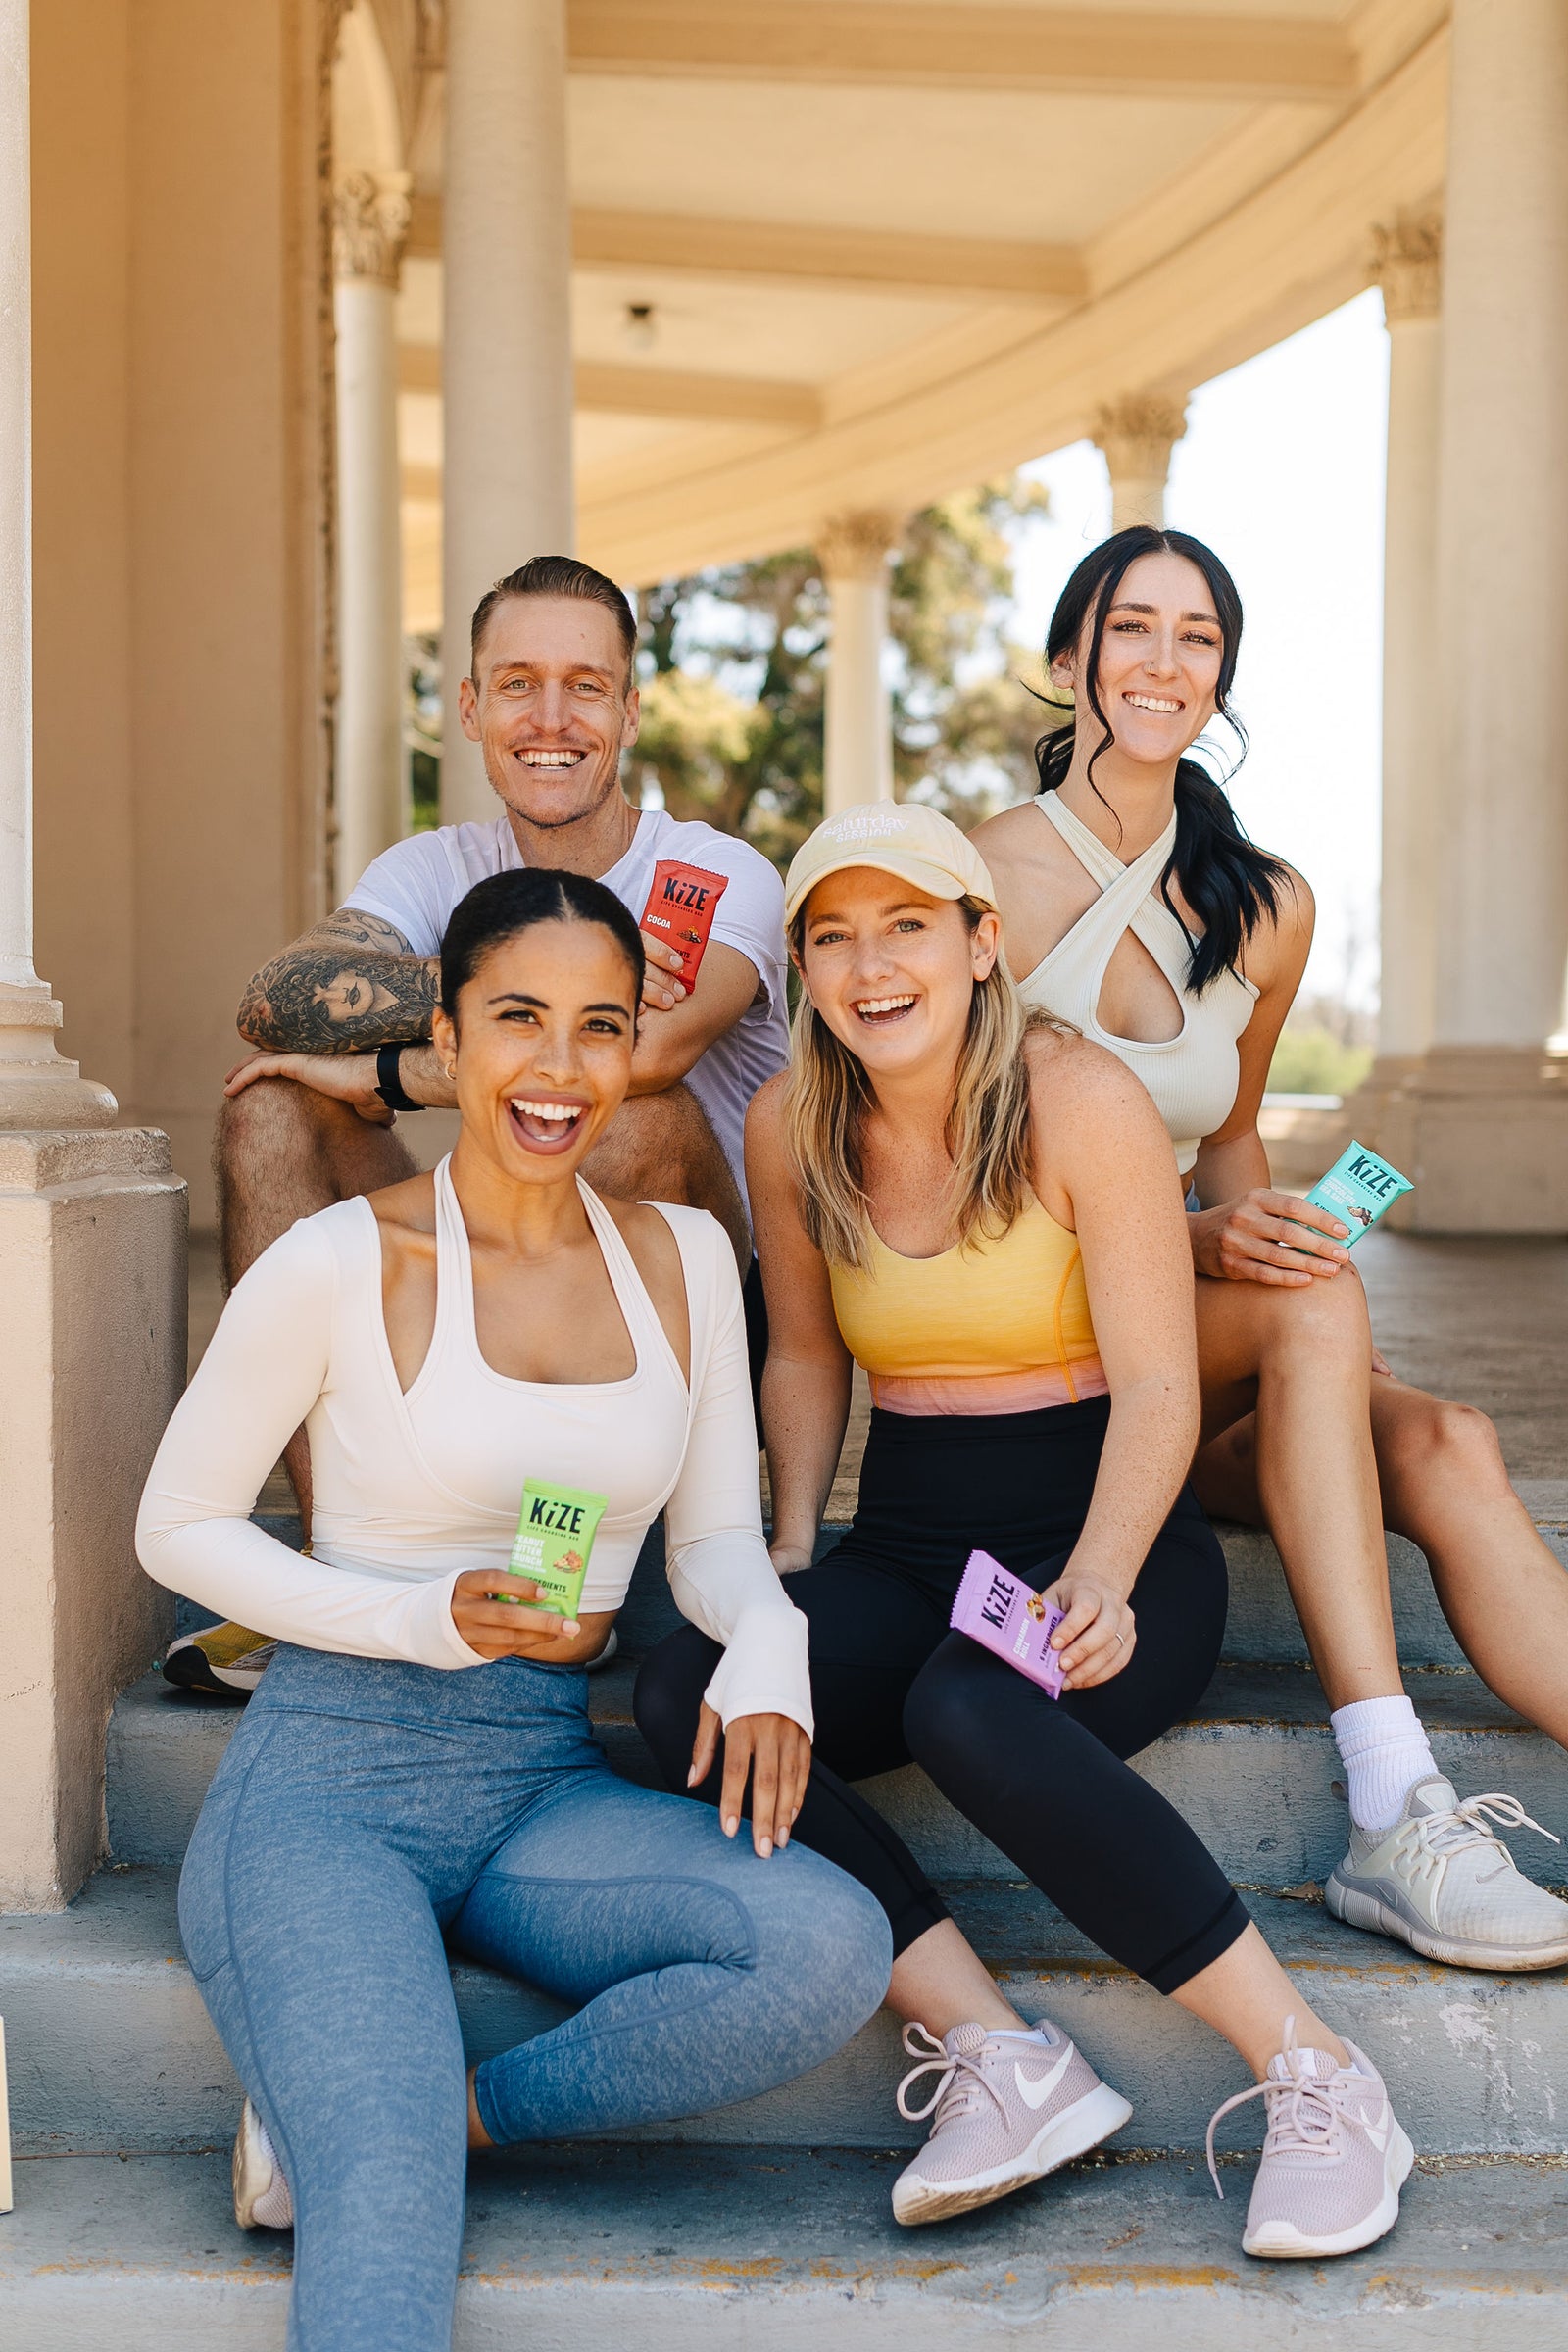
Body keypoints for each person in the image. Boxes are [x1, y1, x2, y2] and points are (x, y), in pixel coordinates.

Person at [633, 801, 1413, 2260]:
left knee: (969, 1709)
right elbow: (804, 1358)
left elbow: (1166, 1382)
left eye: (908, 926)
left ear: (983, 943)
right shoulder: (789, 1120)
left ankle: (1319, 2073)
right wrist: (785, 1563)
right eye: (835, 937)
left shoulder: (1080, 1098)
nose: (873, 967)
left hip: (1103, 1523)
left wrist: (1105, 1571)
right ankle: (1007, 2058)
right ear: (803, 966)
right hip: (914, 1532)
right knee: (693, 1686)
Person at [135, 866, 889, 2351]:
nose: (560, 1069)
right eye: (520, 1021)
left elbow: (716, 1542)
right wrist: (419, 1619)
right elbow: (181, 1526)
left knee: (824, 1948)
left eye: (601, 1026)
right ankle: (380, 2145)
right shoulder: (342, 1261)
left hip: (537, 1783)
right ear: (451, 1041)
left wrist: (775, 1641)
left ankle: (445, 2116)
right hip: (325, 1794)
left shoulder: (679, 1262)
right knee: (388, 2225)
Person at [967, 525, 1568, 1973]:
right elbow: (957, 1184)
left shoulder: (1263, 901)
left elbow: (1230, 1140)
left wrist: (1269, 1235)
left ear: (1221, 674)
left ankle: (1405, 1805)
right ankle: (1391, 1805)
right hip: (1037, 1326)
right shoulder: (970, 879)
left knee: (1448, 1436)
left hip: (1194, 1319)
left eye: (1198, 638)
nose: (1166, 663)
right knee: (1316, 1318)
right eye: (1132, 630)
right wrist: (1211, 1245)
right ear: (1070, 662)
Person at [172, 552, 787, 1695]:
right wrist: (404, 1051)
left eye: (585, 686)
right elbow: (276, 999)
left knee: (620, 1119)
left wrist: (393, 1076)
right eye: (516, 684)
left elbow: (633, 1057)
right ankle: (341, 1569)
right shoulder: (434, 865)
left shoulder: (714, 873)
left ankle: (572, 1575)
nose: (549, 718)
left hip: (679, 1313)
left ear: (629, 708)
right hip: (469, 1278)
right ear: (469, 707)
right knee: (275, 1104)